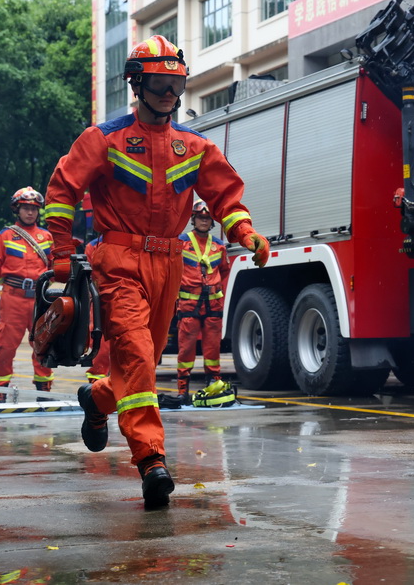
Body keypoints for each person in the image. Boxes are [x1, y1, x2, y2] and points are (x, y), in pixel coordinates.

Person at [44, 35, 270, 509]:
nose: (169, 93)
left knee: (134, 363)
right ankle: (152, 461)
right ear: (136, 83)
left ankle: (98, 400)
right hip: (118, 262)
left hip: (170, 263)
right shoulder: (102, 139)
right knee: (139, 354)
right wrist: (61, 257)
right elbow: (62, 192)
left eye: (177, 83)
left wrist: (245, 232)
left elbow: (225, 196)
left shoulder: (196, 147)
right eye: (160, 83)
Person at [0, 187, 54, 402]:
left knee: (43, 344)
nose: (30, 213)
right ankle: (0, 392)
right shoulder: (4, 236)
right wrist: (10, 286)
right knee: (6, 346)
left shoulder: (47, 237)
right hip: (13, 298)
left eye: (34, 208)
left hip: (40, 299)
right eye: (25, 208)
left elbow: (55, 266)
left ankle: (43, 392)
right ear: (17, 209)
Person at [175, 201, 231, 401]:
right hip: (189, 304)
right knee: (186, 347)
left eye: (207, 219)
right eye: (200, 218)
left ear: (212, 222)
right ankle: (183, 389)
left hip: (213, 305)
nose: (204, 221)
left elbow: (223, 271)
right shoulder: (181, 243)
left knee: (212, 348)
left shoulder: (219, 246)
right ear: (193, 219)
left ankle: (213, 384)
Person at [83, 233, 110, 384]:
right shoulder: (93, 246)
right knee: (101, 344)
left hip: (126, 297)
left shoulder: (128, 240)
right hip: (101, 299)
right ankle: (95, 386)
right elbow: (89, 278)